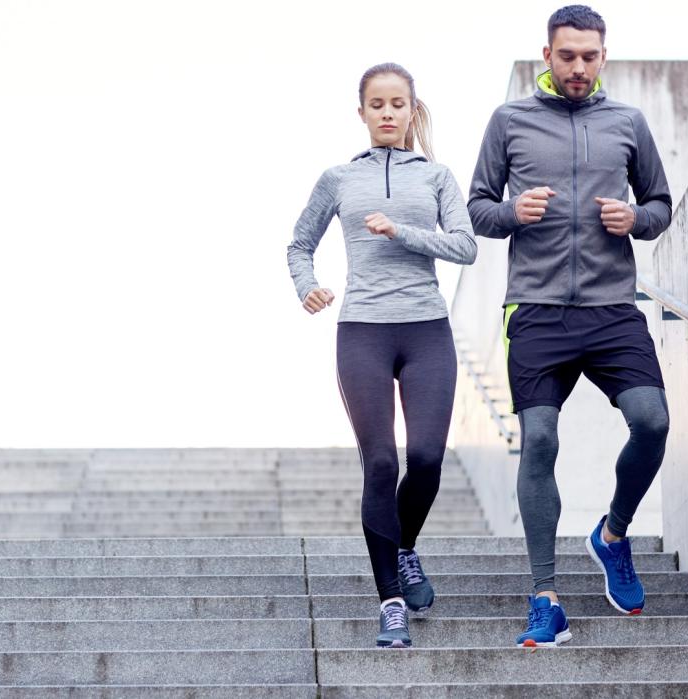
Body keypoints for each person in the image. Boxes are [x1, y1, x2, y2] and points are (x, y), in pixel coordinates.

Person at [467, 5, 673, 647]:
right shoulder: (510, 122)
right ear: (547, 57)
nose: (578, 67)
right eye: (567, 56)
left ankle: (612, 535)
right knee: (541, 439)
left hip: (612, 308)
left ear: (602, 56)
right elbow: (477, 209)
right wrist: (512, 212)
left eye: (589, 56)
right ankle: (545, 596)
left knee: (652, 420)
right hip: (535, 308)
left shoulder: (628, 123)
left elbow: (663, 204)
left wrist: (636, 221)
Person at [287, 62, 477, 648]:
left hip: (426, 331)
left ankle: (404, 547)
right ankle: (390, 599)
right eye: (377, 104)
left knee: (424, 459)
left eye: (398, 103)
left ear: (411, 110)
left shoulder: (438, 176)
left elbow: (466, 246)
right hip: (363, 332)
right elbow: (299, 242)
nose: (388, 113)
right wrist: (306, 285)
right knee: (380, 464)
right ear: (363, 112)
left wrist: (402, 233)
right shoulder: (339, 178)